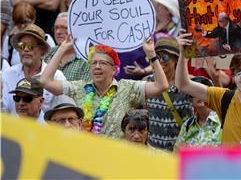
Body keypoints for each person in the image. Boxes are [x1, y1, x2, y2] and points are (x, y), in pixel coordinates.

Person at [39, 36, 168, 139]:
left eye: (102, 63)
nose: (97, 67)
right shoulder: (78, 88)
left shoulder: (129, 88)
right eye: (93, 63)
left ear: (113, 70)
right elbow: (45, 80)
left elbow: (162, 85)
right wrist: (62, 49)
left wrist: (151, 55)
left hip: (115, 160)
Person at [176, 29, 241, 145]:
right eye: (240, 71)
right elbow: (183, 84)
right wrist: (184, 54)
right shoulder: (224, 97)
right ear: (234, 76)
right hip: (228, 163)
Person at [2, 24, 65, 114]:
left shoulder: (57, 76)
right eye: (22, 45)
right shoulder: (7, 74)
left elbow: (62, 113)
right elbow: (3, 110)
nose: (26, 49)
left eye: (31, 45)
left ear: (42, 49)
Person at [145, 37, 193, 151]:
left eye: (165, 57)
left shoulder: (188, 84)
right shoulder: (147, 83)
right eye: (157, 57)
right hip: (154, 152)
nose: (160, 61)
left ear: (176, 59)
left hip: (180, 152)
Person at [175, 76, 222, 149]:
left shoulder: (223, 121)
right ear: (189, 98)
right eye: (194, 93)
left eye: (204, 92)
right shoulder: (187, 125)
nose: (200, 96)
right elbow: (177, 154)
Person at [44, 12, 91, 82]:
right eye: (56, 27)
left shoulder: (86, 58)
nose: (58, 32)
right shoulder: (48, 53)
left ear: (75, 30)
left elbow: (85, 90)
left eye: (64, 28)